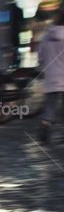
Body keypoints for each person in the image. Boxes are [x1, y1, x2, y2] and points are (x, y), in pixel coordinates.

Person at [37, 11, 64, 145]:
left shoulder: (47, 35)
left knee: (50, 105)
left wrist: (44, 66)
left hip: (51, 75)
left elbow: (41, 55)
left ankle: (45, 128)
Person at [6, 0, 25, 67]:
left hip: (7, 34)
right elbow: (21, 22)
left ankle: (10, 63)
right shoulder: (19, 10)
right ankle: (16, 63)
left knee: (8, 49)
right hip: (16, 32)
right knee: (16, 49)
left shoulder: (5, 9)